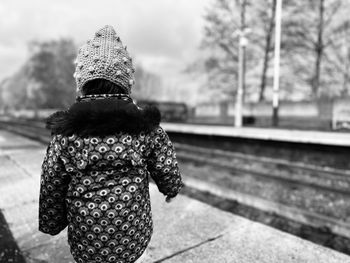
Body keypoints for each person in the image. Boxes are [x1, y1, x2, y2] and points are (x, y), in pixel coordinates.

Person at [38, 25, 184, 263]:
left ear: (83, 82)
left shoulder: (66, 132)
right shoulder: (144, 126)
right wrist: (171, 188)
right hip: (132, 232)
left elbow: (52, 180)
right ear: (126, 82)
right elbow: (164, 161)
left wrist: (52, 222)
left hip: (87, 237)